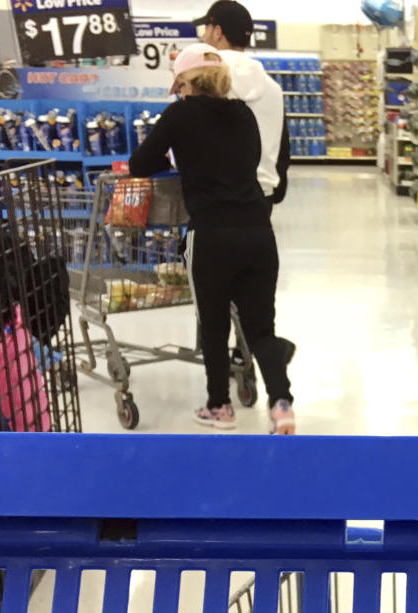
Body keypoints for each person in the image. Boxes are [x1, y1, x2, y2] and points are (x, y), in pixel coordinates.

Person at [129, 43, 296, 434]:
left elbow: (140, 163)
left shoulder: (180, 115)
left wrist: (177, 157)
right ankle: (282, 403)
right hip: (258, 232)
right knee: (260, 329)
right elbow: (251, 160)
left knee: (216, 326)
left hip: (211, 235)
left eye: (181, 84)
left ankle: (219, 407)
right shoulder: (243, 114)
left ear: (188, 82)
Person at [193, 1, 291, 206]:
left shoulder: (205, 82)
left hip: (216, 196)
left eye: (206, 30)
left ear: (217, 32)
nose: (203, 36)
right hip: (262, 195)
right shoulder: (273, 88)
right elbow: (283, 145)